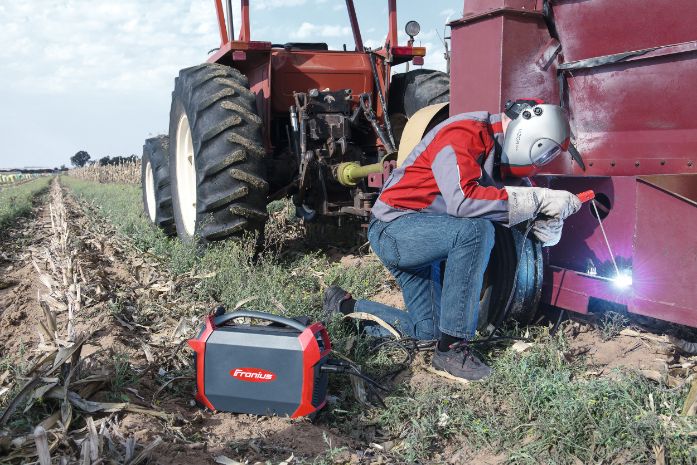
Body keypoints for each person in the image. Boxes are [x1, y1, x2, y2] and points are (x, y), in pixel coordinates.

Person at [323, 99, 583, 382]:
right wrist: (536, 200)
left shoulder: (499, 155)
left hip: (424, 238)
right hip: (395, 229)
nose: (537, 163)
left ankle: (345, 307)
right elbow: (464, 201)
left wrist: (540, 221)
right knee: (476, 231)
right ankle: (452, 348)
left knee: (429, 333)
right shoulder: (464, 133)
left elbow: (506, 202)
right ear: (527, 135)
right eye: (541, 154)